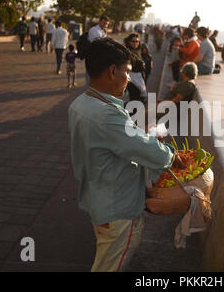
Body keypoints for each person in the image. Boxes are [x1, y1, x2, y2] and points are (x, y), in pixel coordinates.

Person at [68, 37, 185, 272]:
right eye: (127, 72)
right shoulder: (106, 114)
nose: (129, 78)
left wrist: (143, 139)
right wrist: (172, 157)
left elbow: (119, 142)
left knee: (104, 260)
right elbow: (141, 148)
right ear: (112, 71)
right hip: (117, 210)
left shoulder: (81, 104)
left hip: (98, 201)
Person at [123, 33, 147, 104]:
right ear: (129, 42)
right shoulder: (127, 52)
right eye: (133, 41)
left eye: (137, 41)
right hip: (132, 80)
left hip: (139, 78)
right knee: (134, 101)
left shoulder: (137, 51)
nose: (135, 43)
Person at [86, 15, 110, 86]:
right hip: (93, 56)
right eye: (104, 23)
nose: (105, 25)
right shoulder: (94, 30)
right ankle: (89, 93)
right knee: (91, 76)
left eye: (107, 24)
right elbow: (99, 42)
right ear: (99, 22)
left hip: (99, 56)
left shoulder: (101, 30)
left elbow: (106, 39)